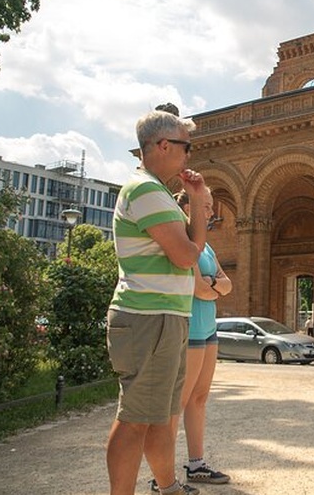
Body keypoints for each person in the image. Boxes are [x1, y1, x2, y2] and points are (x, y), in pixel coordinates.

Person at [105, 110, 208, 495]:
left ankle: (168, 488)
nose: (189, 156)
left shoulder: (159, 191)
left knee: (161, 418)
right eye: (186, 146)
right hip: (147, 317)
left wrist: (196, 200)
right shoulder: (145, 189)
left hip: (166, 317)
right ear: (163, 145)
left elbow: (194, 247)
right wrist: (191, 243)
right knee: (135, 418)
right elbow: (186, 255)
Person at [146, 187, 232, 492]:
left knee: (200, 398)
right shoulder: (184, 243)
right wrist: (214, 286)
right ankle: (162, 476)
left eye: (210, 207)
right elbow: (199, 289)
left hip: (209, 330)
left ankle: (196, 466)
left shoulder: (205, 247)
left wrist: (215, 285)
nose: (211, 212)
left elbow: (228, 282)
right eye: (205, 206)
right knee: (177, 404)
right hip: (191, 328)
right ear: (185, 207)